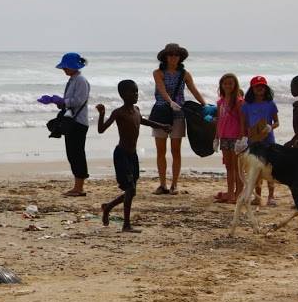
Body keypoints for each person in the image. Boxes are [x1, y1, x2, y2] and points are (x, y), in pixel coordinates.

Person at [96, 80, 170, 233]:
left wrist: (162, 126)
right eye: (132, 92)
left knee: (132, 191)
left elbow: (144, 121)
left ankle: (108, 207)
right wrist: (102, 114)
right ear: (123, 95)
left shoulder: (136, 110)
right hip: (121, 154)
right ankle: (126, 225)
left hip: (133, 155)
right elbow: (101, 130)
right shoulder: (119, 112)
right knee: (130, 189)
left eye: (137, 91)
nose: (136, 94)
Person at [151, 43, 206, 195]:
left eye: (176, 55)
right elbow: (161, 89)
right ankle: (162, 184)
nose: (173, 57)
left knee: (176, 150)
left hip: (178, 114)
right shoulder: (158, 73)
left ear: (180, 57)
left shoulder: (185, 74)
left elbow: (194, 90)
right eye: (170, 55)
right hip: (161, 112)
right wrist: (169, 101)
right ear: (165, 57)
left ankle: (174, 184)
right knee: (160, 150)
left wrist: (205, 105)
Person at [51, 52, 91, 197]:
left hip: (78, 122)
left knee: (77, 154)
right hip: (74, 120)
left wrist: (63, 101)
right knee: (72, 153)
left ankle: (79, 187)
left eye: (66, 67)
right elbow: (72, 101)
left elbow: (78, 100)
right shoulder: (73, 80)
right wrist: (59, 102)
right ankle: (77, 185)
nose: (64, 70)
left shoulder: (80, 80)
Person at [241, 75, 279, 206]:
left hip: (268, 140)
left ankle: (271, 196)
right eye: (257, 86)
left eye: (262, 86)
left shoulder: (270, 104)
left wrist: (270, 127)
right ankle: (257, 197)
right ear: (252, 88)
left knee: (270, 168)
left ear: (266, 88)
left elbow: (277, 122)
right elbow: (244, 124)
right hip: (254, 142)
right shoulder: (247, 105)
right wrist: (244, 137)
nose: (260, 88)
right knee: (255, 169)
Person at [213, 74, 245, 204]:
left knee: (238, 168)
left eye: (230, 83)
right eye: (225, 83)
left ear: (235, 85)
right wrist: (216, 137)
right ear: (221, 85)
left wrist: (241, 137)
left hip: (235, 137)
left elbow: (243, 121)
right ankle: (230, 192)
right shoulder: (220, 101)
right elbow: (219, 120)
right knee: (228, 167)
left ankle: (238, 194)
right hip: (224, 136)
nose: (227, 86)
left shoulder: (239, 101)